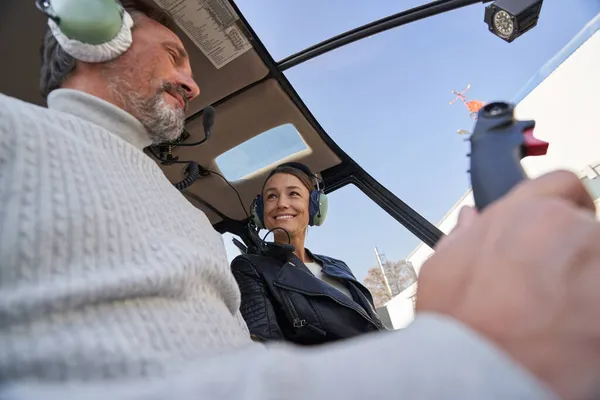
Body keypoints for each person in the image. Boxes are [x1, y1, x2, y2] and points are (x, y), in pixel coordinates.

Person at [1, 0, 600, 399]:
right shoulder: (14, 134)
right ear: (92, 25)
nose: (193, 83)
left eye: (296, 194)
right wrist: (480, 356)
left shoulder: (181, 213)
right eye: (175, 54)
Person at [231, 162, 386, 345]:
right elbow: (267, 352)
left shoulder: (338, 266)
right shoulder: (250, 267)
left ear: (314, 206)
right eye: (272, 196)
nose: (281, 204)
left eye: (293, 194)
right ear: (260, 210)